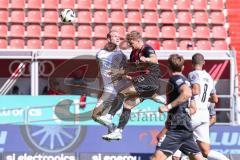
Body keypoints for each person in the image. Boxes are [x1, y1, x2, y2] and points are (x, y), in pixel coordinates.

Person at [101, 31, 164, 140]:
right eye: (129, 43)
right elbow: (130, 68)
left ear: (138, 41)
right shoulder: (133, 53)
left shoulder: (146, 49)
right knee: (127, 105)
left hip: (150, 79)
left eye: (131, 43)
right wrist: (118, 72)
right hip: (144, 82)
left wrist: (147, 59)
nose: (130, 46)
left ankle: (110, 115)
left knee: (122, 92)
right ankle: (118, 131)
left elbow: (155, 60)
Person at [171, 53, 229, 160]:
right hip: (204, 115)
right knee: (205, 151)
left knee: (175, 139)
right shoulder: (209, 77)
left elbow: (196, 90)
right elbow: (215, 99)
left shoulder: (193, 74)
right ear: (204, 63)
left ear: (192, 64)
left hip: (194, 112)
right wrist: (205, 97)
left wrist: (184, 93)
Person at [152, 54, 203, 160]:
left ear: (168, 67)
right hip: (184, 126)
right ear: (183, 67)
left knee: (156, 158)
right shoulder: (185, 80)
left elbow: (187, 93)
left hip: (177, 128)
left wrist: (168, 107)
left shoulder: (175, 79)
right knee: (197, 158)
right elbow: (192, 104)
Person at [91, 30, 130, 133]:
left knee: (100, 115)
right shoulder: (99, 54)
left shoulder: (121, 55)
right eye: (115, 36)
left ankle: (112, 123)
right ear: (108, 39)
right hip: (107, 91)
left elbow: (126, 71)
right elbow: (101, 73)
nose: (118, 38)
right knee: (95, 116)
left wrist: (118, 72)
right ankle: (110, 125)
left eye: (119, 37)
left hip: (116, 91)